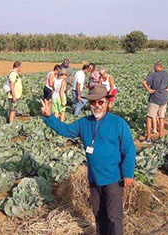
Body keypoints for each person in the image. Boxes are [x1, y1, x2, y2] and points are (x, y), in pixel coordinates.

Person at [41, 85, 136, 235]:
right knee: (99, 215)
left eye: (100, 102)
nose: (97, 106)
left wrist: (128, 173)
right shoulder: (84, 122)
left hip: (113, 178)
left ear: (107, 103)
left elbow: (129, 150)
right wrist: (49, 117)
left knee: (113, 217)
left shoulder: (118, 123)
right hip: (94, 178)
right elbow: (66, 130)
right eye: (93, 103)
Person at [141, 61, 168, 144]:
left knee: (149, 118)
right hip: (164, 99)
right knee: (161, 118)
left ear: (156, 67)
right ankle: (160, 137)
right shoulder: (167, 75)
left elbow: (143, 82)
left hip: (154, 99)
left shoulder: (153, 75)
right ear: (162, 67)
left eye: (154, 68)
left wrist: (148, 89)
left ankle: (148, 138)